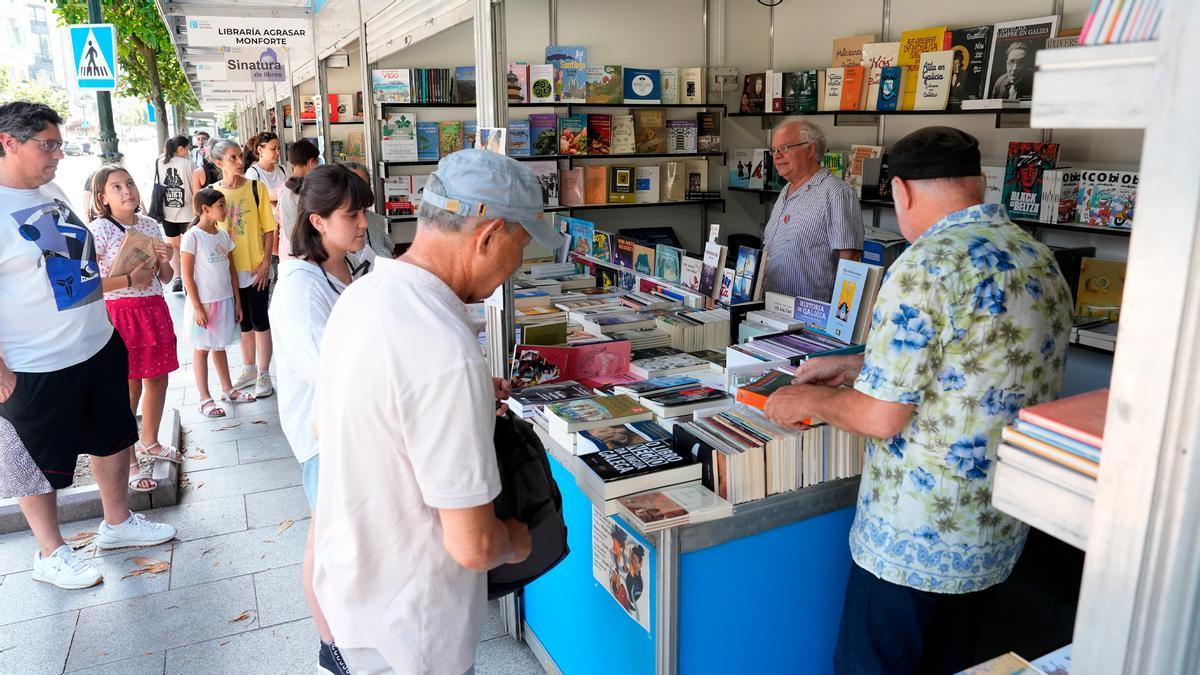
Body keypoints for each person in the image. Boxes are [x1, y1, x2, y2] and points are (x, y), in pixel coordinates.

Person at [761, 127, 1073, 674]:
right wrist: (858, 364)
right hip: (995, 525)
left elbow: (882, 417)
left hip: (913, 538)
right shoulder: (1037, 257)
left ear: (901, 190)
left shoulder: (926, 264)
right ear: (977, 184)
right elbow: (974, 362)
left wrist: (806, 399)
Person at [312, 149, 558, 673]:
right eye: (521, 246)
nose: (519, 266)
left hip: (353, 613)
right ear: (488, 236)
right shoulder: (445, 349)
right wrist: (521, 539)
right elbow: (474, 545)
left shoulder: (362, 296)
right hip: (413, 640)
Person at [0, 101, 175, 591]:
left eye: (59, 143)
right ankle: (50, 551)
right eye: (48, 145)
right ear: (7, 143)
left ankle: (117, 524)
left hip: (95, 342)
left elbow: (74, 265)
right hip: (34, 361)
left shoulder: (49, 190)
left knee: (114, 435)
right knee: (35, 460)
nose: (58, 153)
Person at [270, 165, 374, 675]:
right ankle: (332, 646)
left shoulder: (354, 262)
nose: (362, 223)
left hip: (357, 427)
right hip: (325, 432)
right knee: (328, 541)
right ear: (317, 220)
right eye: (351, 214)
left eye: (363, 211)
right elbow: (323, 371)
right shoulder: (298, 286)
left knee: (335, 536)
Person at [88, 166, 183, 489]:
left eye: (129, 183)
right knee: (128, 387)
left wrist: (167, 258)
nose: (127, 190)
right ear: (103, 198)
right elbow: (89, 284)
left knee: (158, 378)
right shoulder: (98, 230)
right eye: (116, 187)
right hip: (119, 313)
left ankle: (151, 440)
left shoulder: (150, 225)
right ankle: (129, 460)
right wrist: (129, 279)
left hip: (153, 308)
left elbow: (167, 278)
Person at [761, 118, 863, 301]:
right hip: (772, 310)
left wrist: (839, 322)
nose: (776, 156)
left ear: (810, 149)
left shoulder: (837, 193)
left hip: (812, 320)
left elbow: (850, 260)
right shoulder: (786, 190)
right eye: (774, 150)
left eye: (784, 148)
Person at [211, 138, 278, 399]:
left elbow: (269, 228)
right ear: (219, 163)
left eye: (240, 156)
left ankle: (264, 373)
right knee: (244, 322)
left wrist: (264, 264)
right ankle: (249, 368)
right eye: (232, 158)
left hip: (254, 267)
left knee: (260, 320)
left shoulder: (255, 188)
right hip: (227, 271)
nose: (240, 162)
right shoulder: (213, 193)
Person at [180, 188, 255, 418]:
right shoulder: (192, 237)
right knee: (202, 349)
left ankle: (228, 389)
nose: (225, 209)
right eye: (221, 205)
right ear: (206, 209)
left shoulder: (223, 235)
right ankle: (204, 398)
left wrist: (238, 302)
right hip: (204, 303)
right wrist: (197, 307)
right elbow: (187, 275)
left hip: (225, 300)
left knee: (219, 346)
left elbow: (231, 270)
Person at [156, 134, 197, 293]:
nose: (188, 151)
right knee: (188, 247)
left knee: (173, 245)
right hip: (187, 211)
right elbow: (195, 190)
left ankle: (178, 278)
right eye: (187, 148)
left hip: (168, 211)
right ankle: (189, 281)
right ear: (181, 148)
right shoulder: (189, 164)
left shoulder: (159, 162)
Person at [340, 160, 395, 262]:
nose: (360, 191)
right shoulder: (336, 225)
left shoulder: (376, 220)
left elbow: (389, 250)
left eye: (364, 186)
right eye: (354, 186)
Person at [277, 139, 320, 261]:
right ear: (312, 162)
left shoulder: (287, 186)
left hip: (290, 249)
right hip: (303, 253)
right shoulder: (300, 189)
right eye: (317, 163)